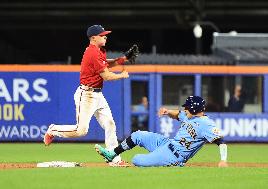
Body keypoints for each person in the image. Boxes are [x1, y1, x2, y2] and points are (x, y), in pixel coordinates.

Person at [43, 24, 138, 167]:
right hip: (86, 95)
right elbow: (106, 75)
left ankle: (114, 159)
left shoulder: (99, 51)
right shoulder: (92, 52)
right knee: (81, 131)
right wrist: (122, 75)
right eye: (102, 35)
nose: (105, 36)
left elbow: (106, 64)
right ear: (93, 38)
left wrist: (122, 59)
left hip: (98, 95)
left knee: (110, 124)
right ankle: (53, 130)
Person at [95, 96, 228, 167]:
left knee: (137, 160)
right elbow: (178, 114)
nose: (185, 109)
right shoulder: (189, 116)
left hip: (175, 156)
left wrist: (223, 160)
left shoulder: (206, 124)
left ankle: (175, 165)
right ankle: (112, 154)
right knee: (138, 135)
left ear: (194, 108)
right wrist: (168, 112)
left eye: (187, 107)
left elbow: (221, 142)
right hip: (167, 144)